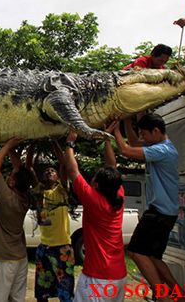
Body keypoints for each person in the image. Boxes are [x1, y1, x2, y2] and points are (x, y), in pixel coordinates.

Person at [108, 114, 182, 302]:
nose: (142, 138)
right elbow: (134, 143)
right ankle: (183, 297)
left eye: (144, 134)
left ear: (156, 131)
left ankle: (162, 296)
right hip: (166, 212)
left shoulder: (162, 150)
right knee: (154, 258)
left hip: (158, 213)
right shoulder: (161, 147)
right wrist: (126, 120)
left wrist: (114, 130)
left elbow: (125, 150)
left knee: (136, 251)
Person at [63, 129, 127, 302]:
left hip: (98, 278)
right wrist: (107, 139)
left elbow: (72, 170)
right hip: (119, 276)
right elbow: (112, 166)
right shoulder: (118, 195)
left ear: (97, 185)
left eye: (94, 177)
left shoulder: (93, 200)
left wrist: (70, 142)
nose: (91, 178)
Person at [0, 137, 34, 302]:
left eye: (10, 175)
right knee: (16, 298)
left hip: (3, 259)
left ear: (11, 183)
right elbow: (19, 169)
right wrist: (11, 149)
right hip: (19, 257)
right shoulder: (24, 196)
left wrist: (8, 145)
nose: (8, 176)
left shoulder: (7, 198)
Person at [27, 143, 75, 302]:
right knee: (42, 291)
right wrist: (32, 144)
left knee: (65, 291)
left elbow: (63, 163)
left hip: (62, 247)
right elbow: (29, 167)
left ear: (58, 177)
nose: (49, 171)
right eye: (46, 171)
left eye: (52, 171)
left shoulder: (61, 191)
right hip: (44, 247)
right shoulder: (39, 191)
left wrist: (54, 141)